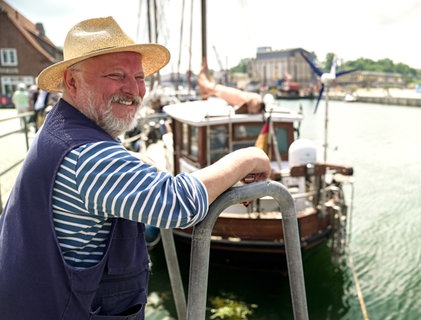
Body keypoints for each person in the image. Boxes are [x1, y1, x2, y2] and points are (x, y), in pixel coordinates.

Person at [0, 17, 271, 319]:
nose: (133, 90)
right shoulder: (86, 156)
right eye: (116, 75)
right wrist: (247, 157)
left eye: (140, 77)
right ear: (72, 82)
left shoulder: (59, 129)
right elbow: (178, 204)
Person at [198, 58, 265, 114]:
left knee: (214, 88)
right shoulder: (256, 100)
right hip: (236, 96)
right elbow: (254, 103)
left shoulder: (256, 100)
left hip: (236, 96)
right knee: (212, 88)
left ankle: (203, 74)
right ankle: (203, 74)